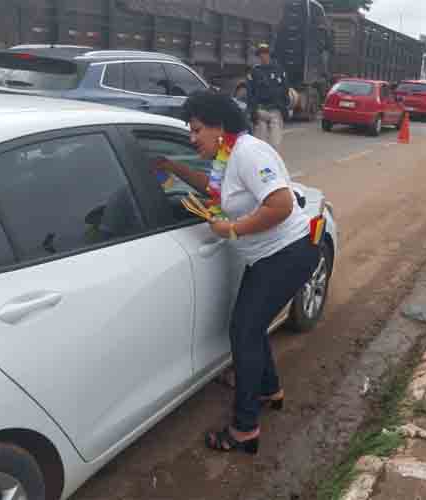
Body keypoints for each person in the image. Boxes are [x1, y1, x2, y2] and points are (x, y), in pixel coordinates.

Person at [153, 92, 318, 453]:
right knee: (250, 327)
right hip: (268, 258)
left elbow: (281, 204)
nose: (191, 137)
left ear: (220, 127)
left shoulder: (248, 153)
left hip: (286, 254)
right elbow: (213, 191)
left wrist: (232, 229)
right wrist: (171, 166)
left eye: (196, 130)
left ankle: (245, 429)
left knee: (243, 333)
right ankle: (269, 389)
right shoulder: (225, 156)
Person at [247, 43, 290, 151]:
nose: (263, 56)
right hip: (261, 111)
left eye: (265, 53)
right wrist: (252, 111)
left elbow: (285, 89)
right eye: (261, 54)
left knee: (275, 146)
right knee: (260, 147)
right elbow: (250, 93)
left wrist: (285, 107)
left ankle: (273, 166)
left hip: (276, 110)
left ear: (269, 54)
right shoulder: (254, 72)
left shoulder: (279, 70)